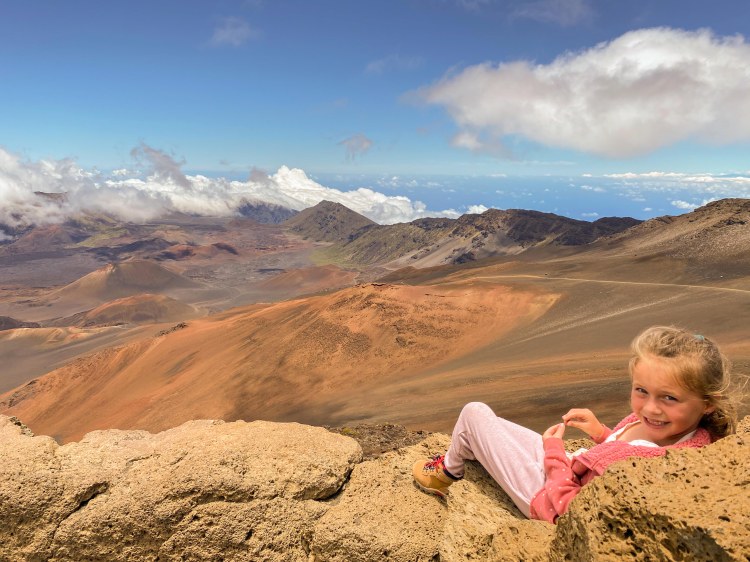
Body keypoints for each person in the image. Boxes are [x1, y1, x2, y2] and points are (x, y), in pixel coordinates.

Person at [412, 326, 741, 523]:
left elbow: (570, 509)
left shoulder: (651, 464)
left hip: (545, 496)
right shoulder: (676, 433)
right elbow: (624, 447)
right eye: (641, 391)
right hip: (565, 470)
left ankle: (447, 473)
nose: (651, 408)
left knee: (474, 413)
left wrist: (554, 453)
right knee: (490, 426)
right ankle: (474, 450)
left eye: (669, 398)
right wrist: (601, 433)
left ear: (707, 403)